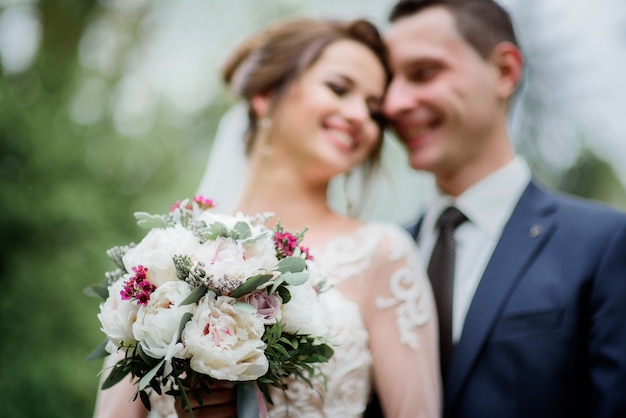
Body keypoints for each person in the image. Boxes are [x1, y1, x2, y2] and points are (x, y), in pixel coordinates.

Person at [93, 17, 441, 418]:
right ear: (265, 93)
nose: (360, 116)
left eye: (374, 109)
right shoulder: (166, 258)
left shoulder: (383, 254)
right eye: (339, 89)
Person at [379, 1, 626, 417]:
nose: (394, 104)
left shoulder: (604, 244)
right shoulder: (382, 252)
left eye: (424, 73)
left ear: (505, 71)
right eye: (388, 83)